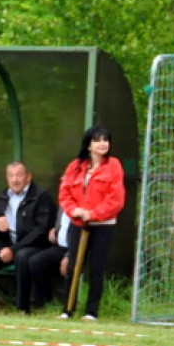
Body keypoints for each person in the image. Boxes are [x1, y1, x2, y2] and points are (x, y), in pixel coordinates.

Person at [58, 125, 126, 320]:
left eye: (105, 140)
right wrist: (75, 211)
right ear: (88, 145)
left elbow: (116, 199)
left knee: (96, 268)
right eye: (97, 140)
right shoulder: (75, 166)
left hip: (103, 225)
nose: (102, 144)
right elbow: (65, 193)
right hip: (78, 224)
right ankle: (67, 309)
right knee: (73, 266)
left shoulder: (113, 165)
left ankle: (91, 312)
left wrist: (94, 214)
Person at [0, 161, 53, 313]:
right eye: (11, 176)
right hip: (9, 245)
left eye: (19, 175)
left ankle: (22, 307)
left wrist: (13, 249)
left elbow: (41, 230)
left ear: (28, 177)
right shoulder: (3, 195)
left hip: (34, 247)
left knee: (22, 255)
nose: (15, 180)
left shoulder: (41, 196)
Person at [28, 207, 72, 309]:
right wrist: (55, 230)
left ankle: (68, 307)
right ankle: (42, 306)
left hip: (74, 250)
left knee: (70, 268)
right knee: (36, 261)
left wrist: (69, 256)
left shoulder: (80, 204)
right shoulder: (63, 203)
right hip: (59, 246)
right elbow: (62, 223)